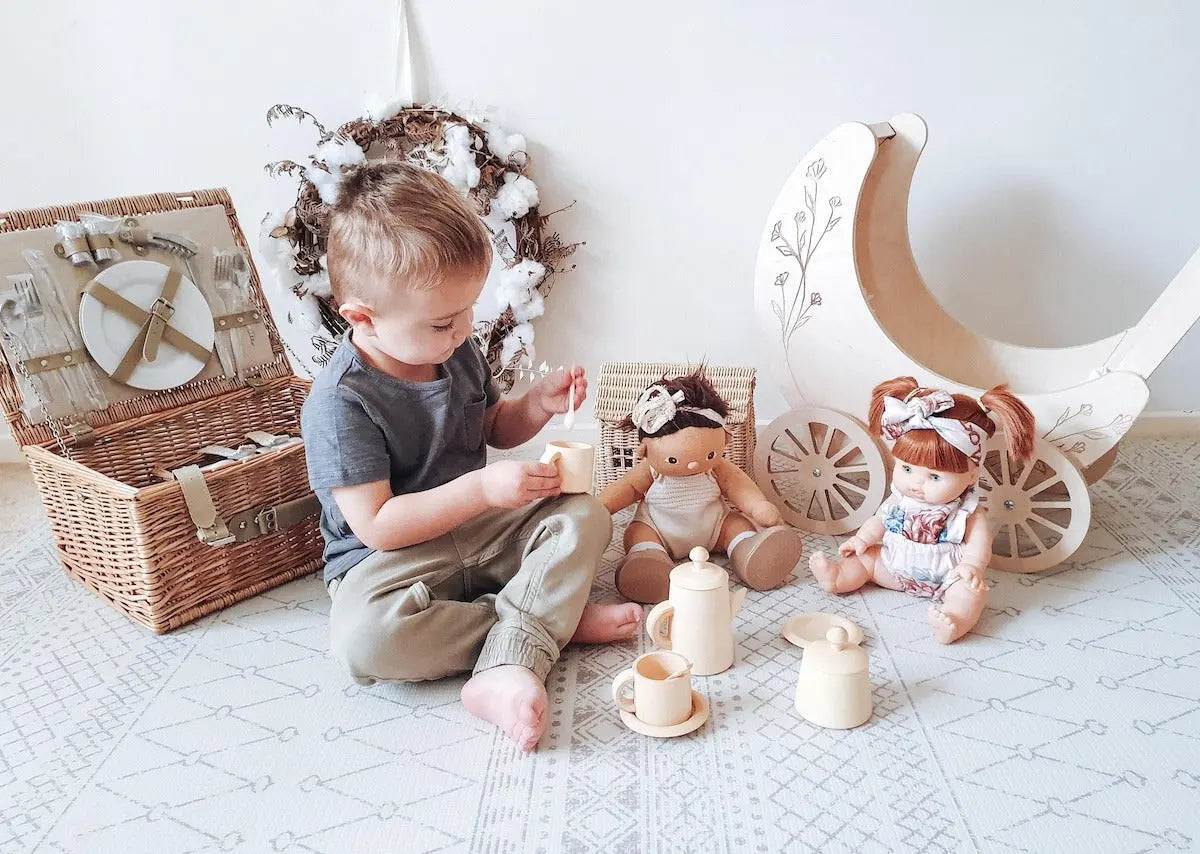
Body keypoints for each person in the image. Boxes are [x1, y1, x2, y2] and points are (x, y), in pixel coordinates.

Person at [301, 162, 641, 750]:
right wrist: (483, 491)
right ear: (362, 318)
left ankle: (531, 627)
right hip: (391, 564)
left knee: (585, 515)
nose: (462, 331)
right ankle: (535, 625)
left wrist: (534, 404)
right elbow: (378, 527)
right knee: (365, 641)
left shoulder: (455, 351)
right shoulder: (341, 403)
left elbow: (490, 428)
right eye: (442, 322)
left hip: (479, 531)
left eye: (468, 312)